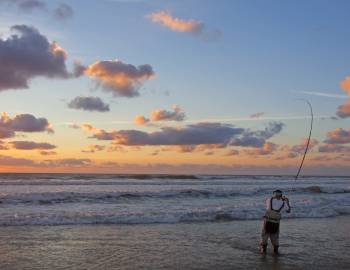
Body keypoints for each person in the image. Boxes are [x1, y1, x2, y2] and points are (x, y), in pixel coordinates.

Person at [260, 189, 291, 255]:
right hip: (276, 223)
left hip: (267, 221)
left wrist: (280, 199)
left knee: (264, 235)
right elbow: (288, 211)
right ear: (281, 195)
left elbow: (266, 202)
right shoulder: (284, 203)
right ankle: (275, 251)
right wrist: (287, 201)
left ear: (274, 194)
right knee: (275, 237)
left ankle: (263, 249)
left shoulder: (269, 200)